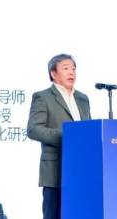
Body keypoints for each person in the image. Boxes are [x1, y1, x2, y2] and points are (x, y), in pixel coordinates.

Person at [27, 53, 91, 219]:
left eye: (74, 69)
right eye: (66, 68)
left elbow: (87, 130)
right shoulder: (43, 97)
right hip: (56, 171)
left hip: (81, 169)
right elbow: (33, 129)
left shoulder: (83, 99)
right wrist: (67, 135)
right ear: (53, 73)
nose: (71, 72)